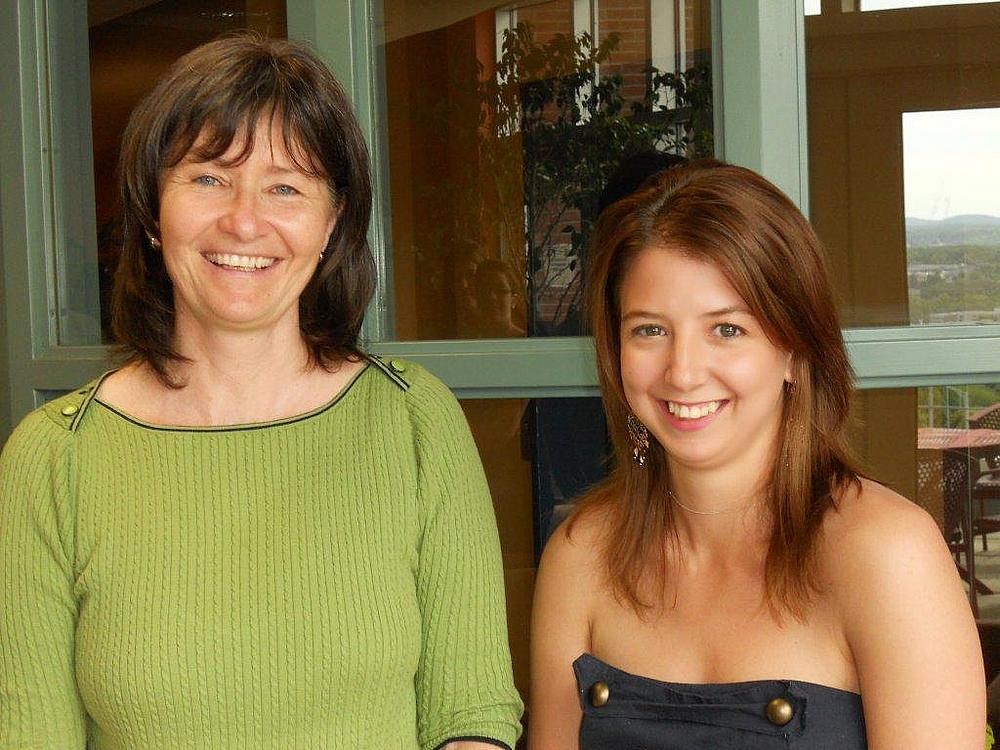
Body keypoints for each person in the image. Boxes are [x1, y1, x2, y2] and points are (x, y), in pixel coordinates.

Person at [0, 35, 521, 749]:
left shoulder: (413, 421)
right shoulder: (53, 458)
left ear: (332, 220)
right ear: (152, 210)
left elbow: (470, 716)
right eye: (209, 178)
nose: (245, 221)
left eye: (285, 187)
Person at [529, 160, 985, 748]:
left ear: (795, 349)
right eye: (649, 330)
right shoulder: (582, 553)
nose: (683, 372)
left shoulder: (887, 553)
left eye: (727, 329)